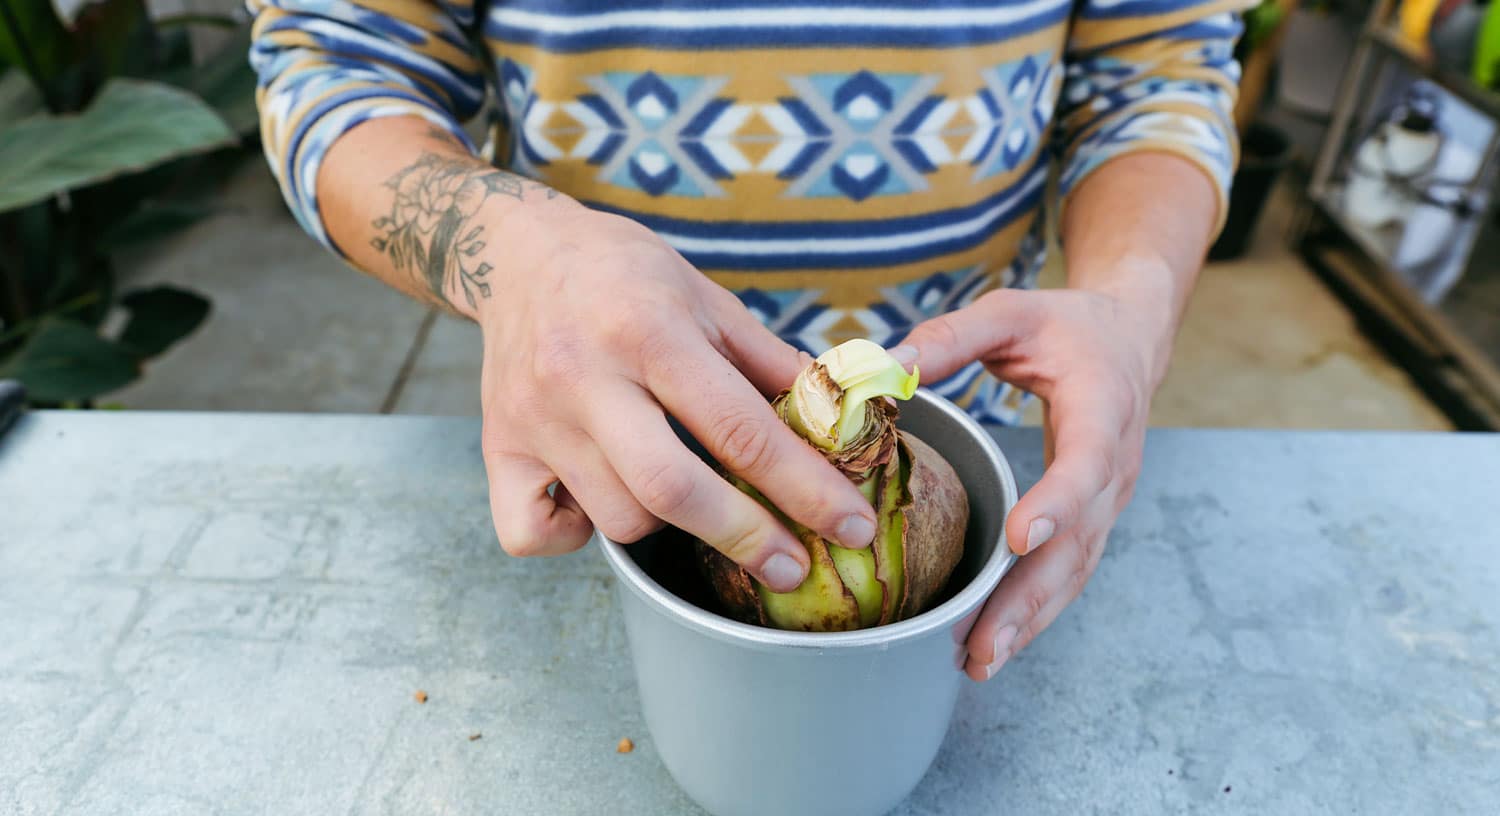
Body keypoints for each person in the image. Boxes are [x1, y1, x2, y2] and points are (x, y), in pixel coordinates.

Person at [248, 0, 1249, 680]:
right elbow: (336, 67)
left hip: (985, 453)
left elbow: (1156, 74)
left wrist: (1130, 307)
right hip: (598, 451)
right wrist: (512, 251)